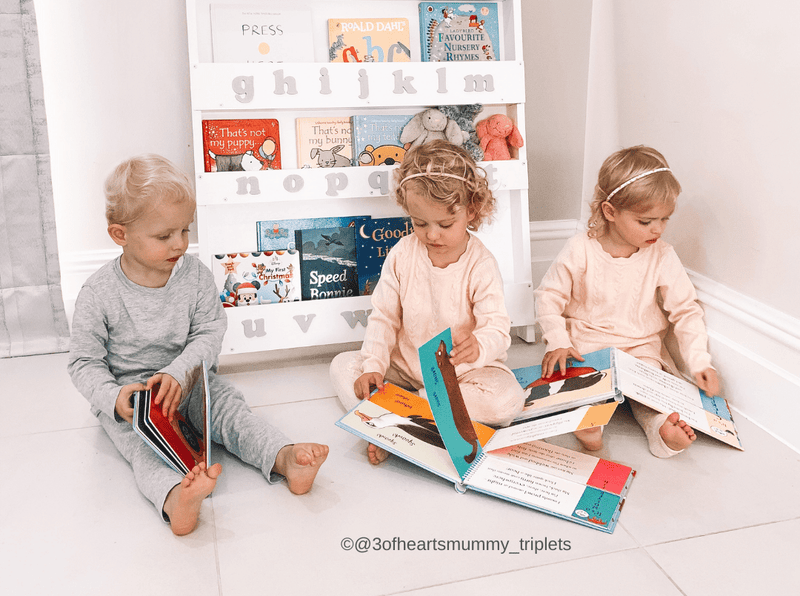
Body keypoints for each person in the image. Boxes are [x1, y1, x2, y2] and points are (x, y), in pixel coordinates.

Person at [68, 155, 328, 535]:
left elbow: (209, 330)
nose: (179, 243)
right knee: (142, 451)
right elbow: (82, 363)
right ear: (120, 235)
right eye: (164, 236)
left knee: (232, 414)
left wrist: (180, 371)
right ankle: (175, 498)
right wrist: (114, 398)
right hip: (135, 400)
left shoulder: (195, 276)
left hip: (189, 380)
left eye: (184, 230)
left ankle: (283, 457)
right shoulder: (98, 293)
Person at [330, 140, 525, 464]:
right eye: (420, 223)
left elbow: (497, 327)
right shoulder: (402, 255)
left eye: (445, 224)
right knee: (343, 367)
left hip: (463, 375)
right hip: (405, 369)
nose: (432, 235)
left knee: (506, 401)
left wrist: (479, 345)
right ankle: (419, 415)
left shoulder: (481, 264)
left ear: (471, 210)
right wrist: (375, 367)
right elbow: (384, 319)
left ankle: (397, 417)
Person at [535, 145, 720, 458]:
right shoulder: (580, 249)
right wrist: (557, 340)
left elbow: (686, 310)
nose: (657, 229)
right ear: (610, 212)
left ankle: (660, 427)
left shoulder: (662, 254)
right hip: (585, 345)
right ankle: (590, 424)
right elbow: (548, 296)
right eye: (646, 221)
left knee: (653, 392)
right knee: (583, 386)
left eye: (664, 219)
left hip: (639, 348)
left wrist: (699, 361)